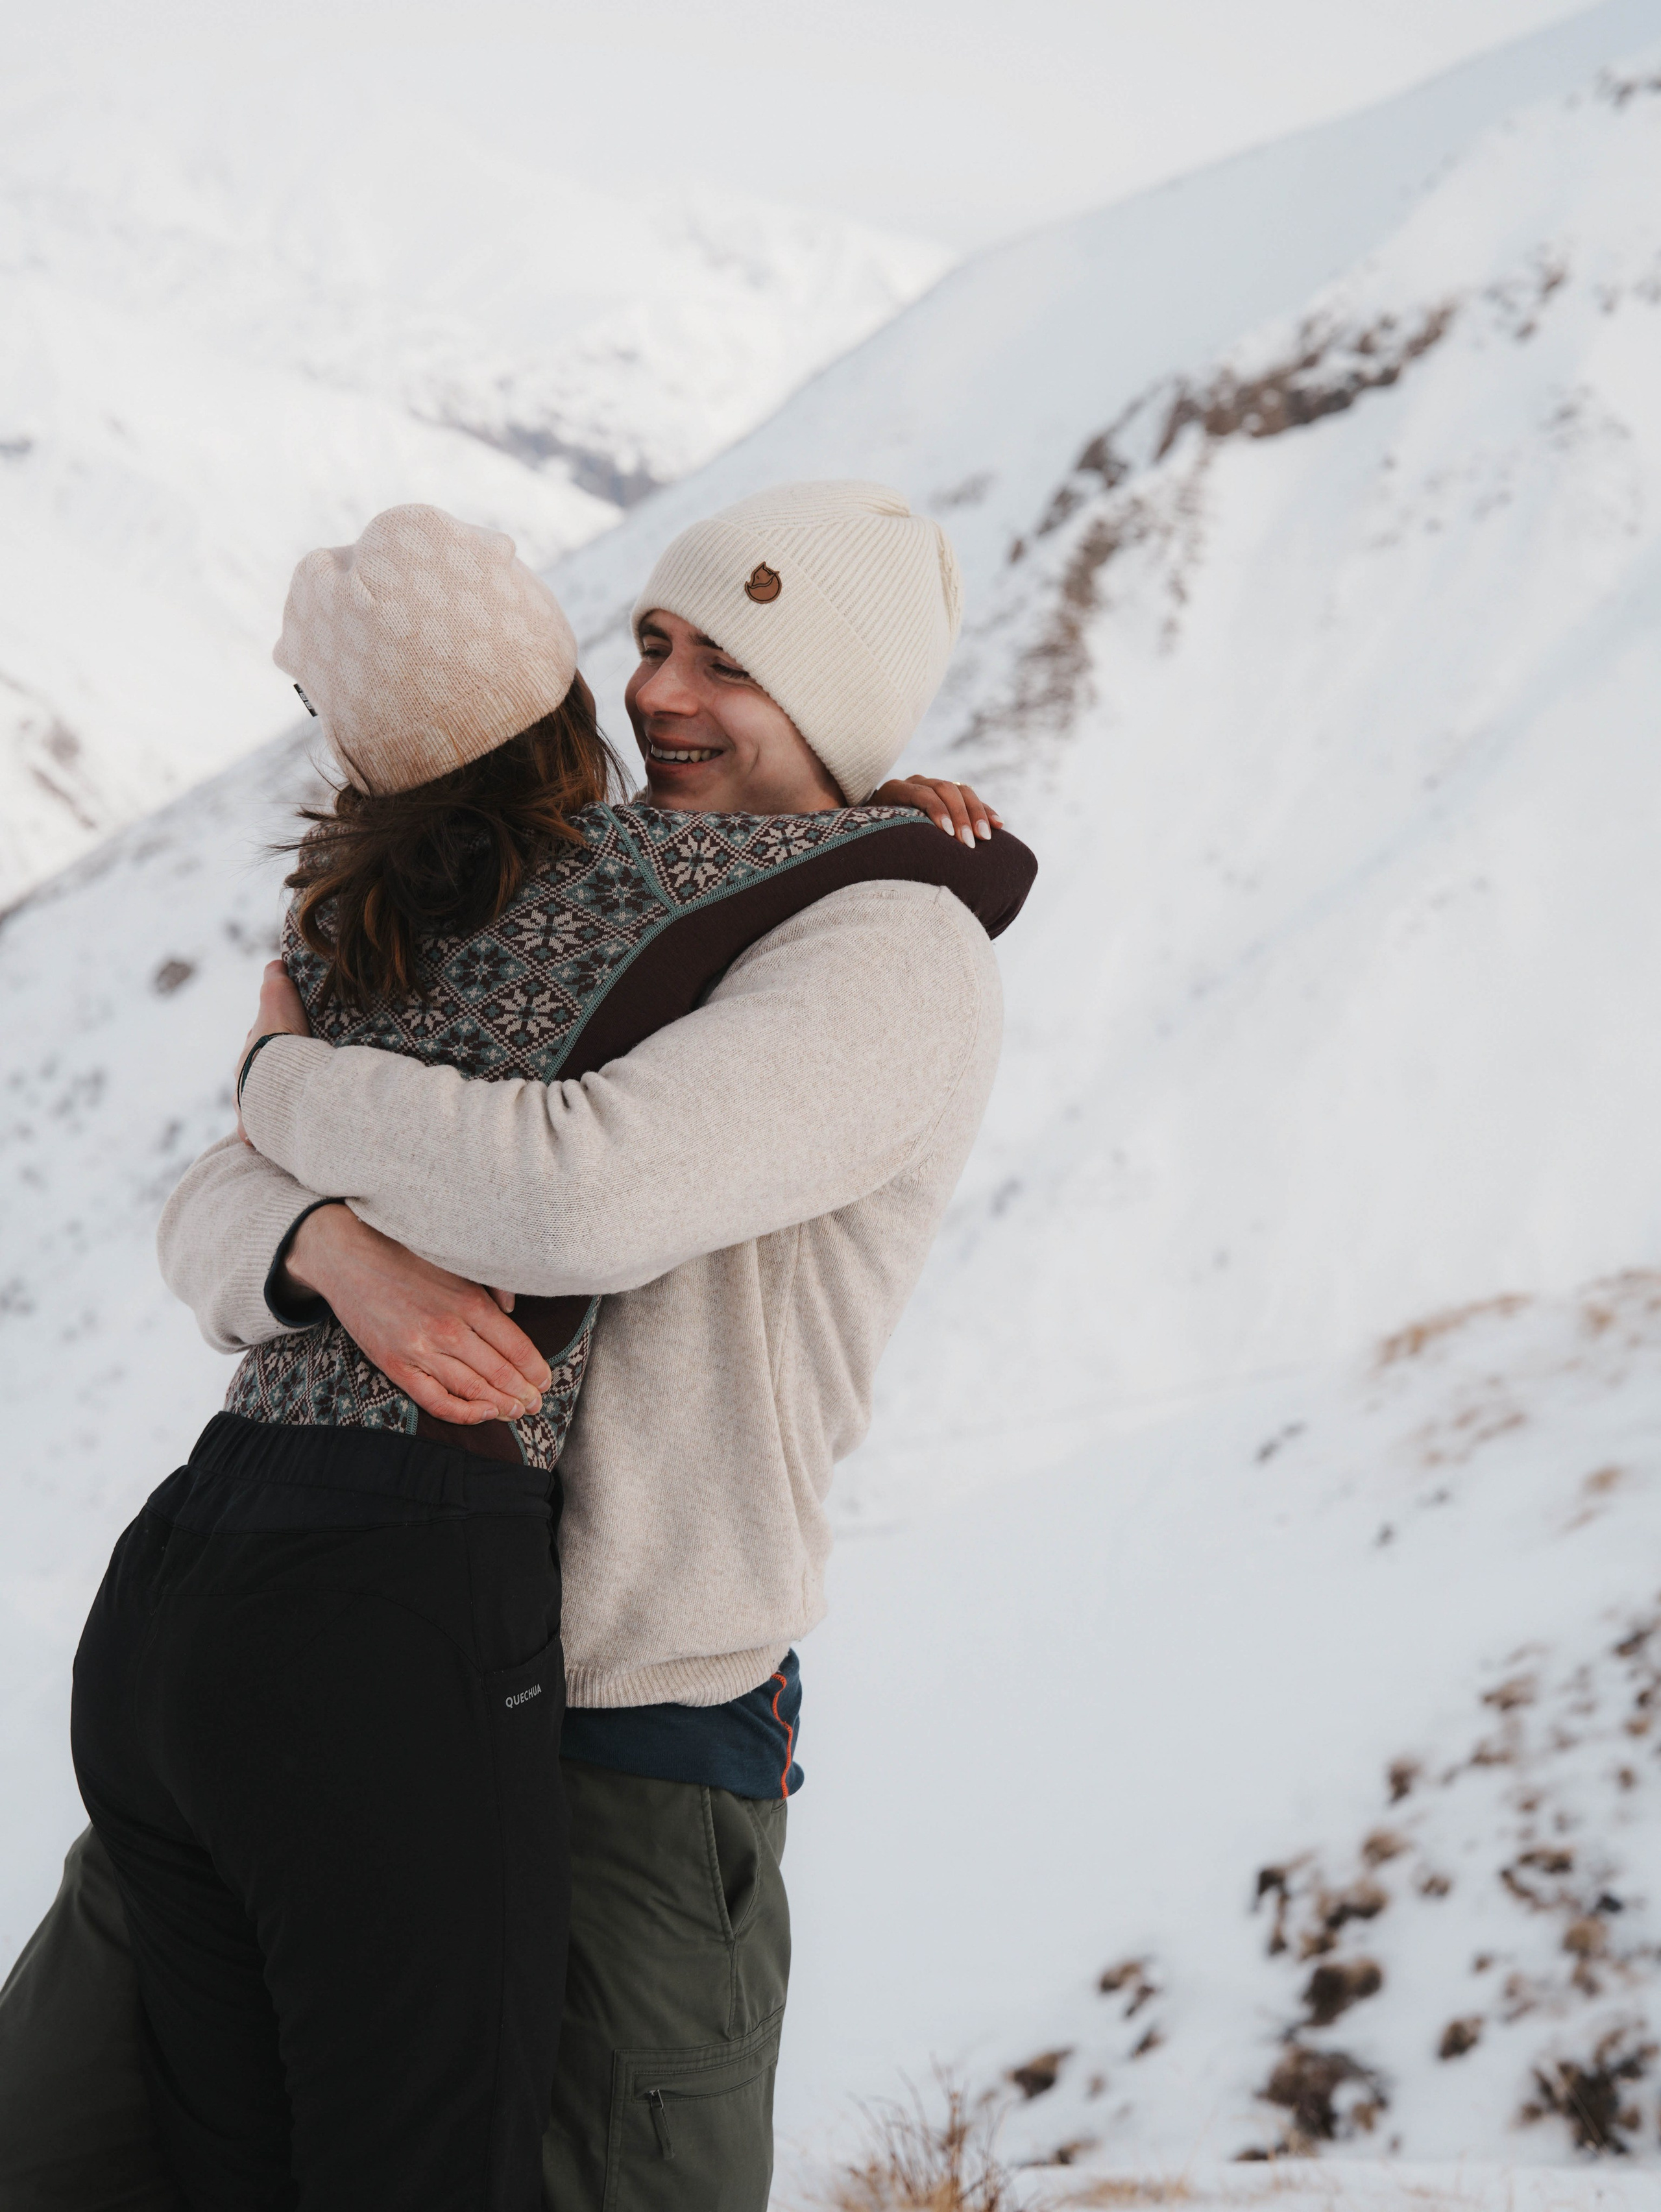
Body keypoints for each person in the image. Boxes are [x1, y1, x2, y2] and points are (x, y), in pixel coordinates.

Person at [0, 481, 1035, 2211]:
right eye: (652, 642)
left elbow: (580, 1197)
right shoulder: (592, 892)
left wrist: (289, 1093)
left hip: (622, 1725)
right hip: (345, 1685)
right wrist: (329, 1249)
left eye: (738, 664)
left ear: (847, 704)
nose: (666, 696)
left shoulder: (890, 941)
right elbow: (205, 1204)